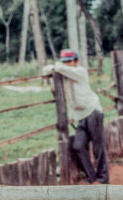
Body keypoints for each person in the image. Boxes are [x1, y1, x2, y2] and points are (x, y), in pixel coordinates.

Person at [43, 49, 109, 184]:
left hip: (93, 113)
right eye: (65, 61)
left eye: (69, 61)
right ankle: (91, 177)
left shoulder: (80, 72)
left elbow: (56, 68)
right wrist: (53, 69)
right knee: (78, 146)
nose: (67, 64)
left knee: (98, 149)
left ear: (76, 61)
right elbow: (45, 71)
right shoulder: (64, 75)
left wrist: (55, 67)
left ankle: (103, 179)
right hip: (80, 117)